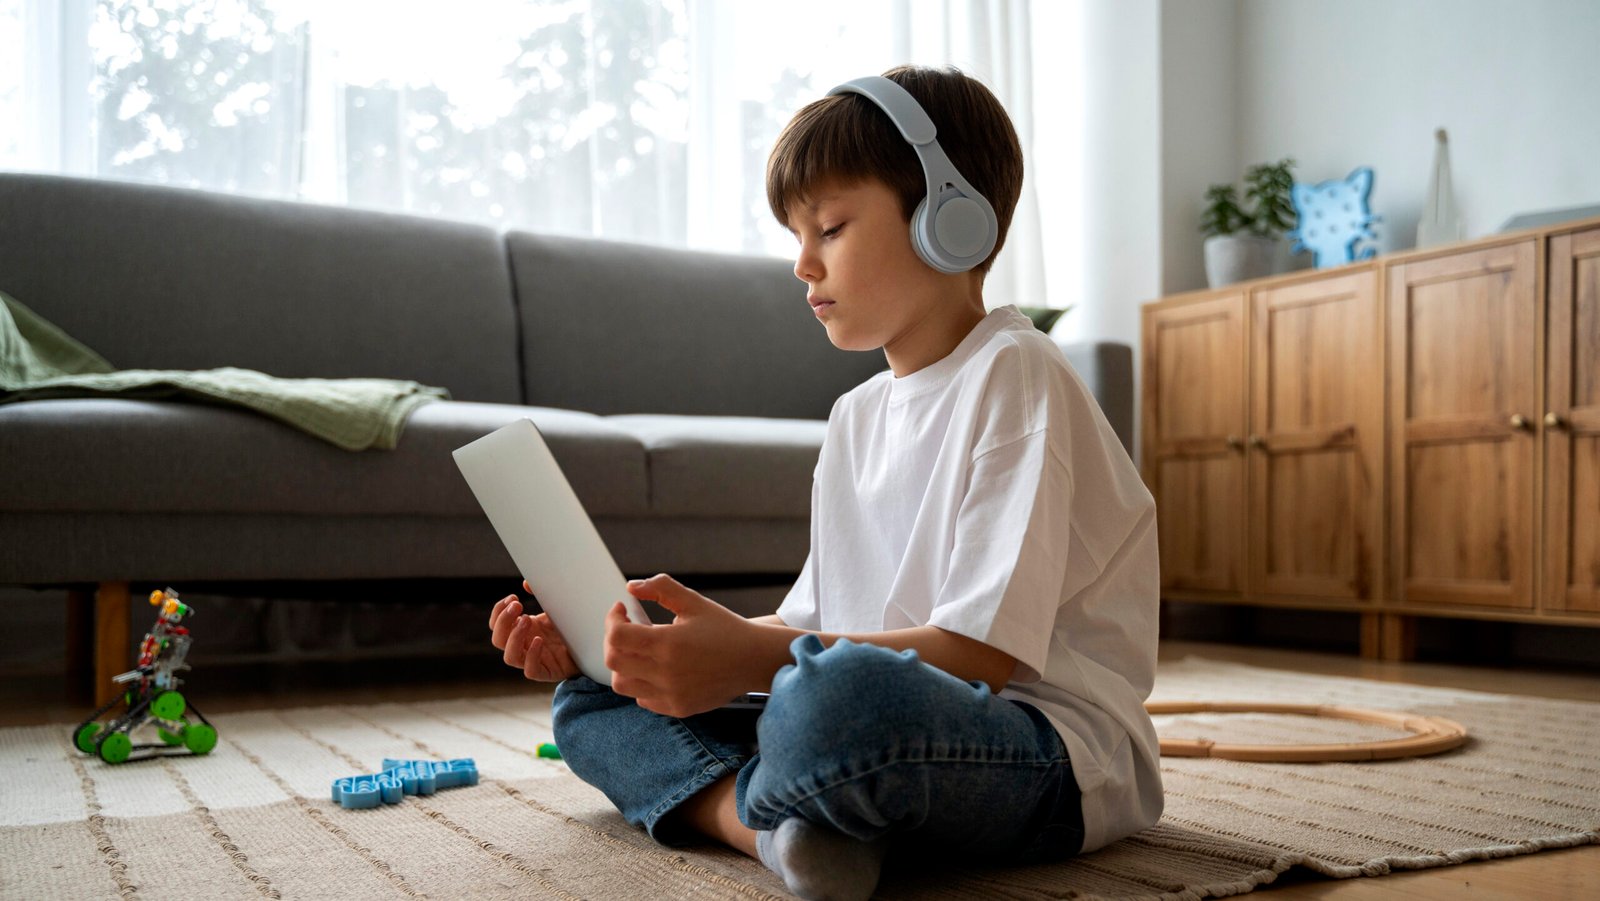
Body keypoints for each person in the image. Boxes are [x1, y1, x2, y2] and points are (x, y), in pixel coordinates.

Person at [487, 64, 1163, 901]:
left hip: (1044, 749)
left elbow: (981, 657)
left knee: (835, 700)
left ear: (949, 223)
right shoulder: (853, 417)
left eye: (830, 228)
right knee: (592, 699)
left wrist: (752, 659)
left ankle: (773, 800)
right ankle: (777, 827)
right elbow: (813, 627)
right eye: (795, 237)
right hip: (871, 724)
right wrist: (642, 645)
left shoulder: (1015, 371)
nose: (802, 265)